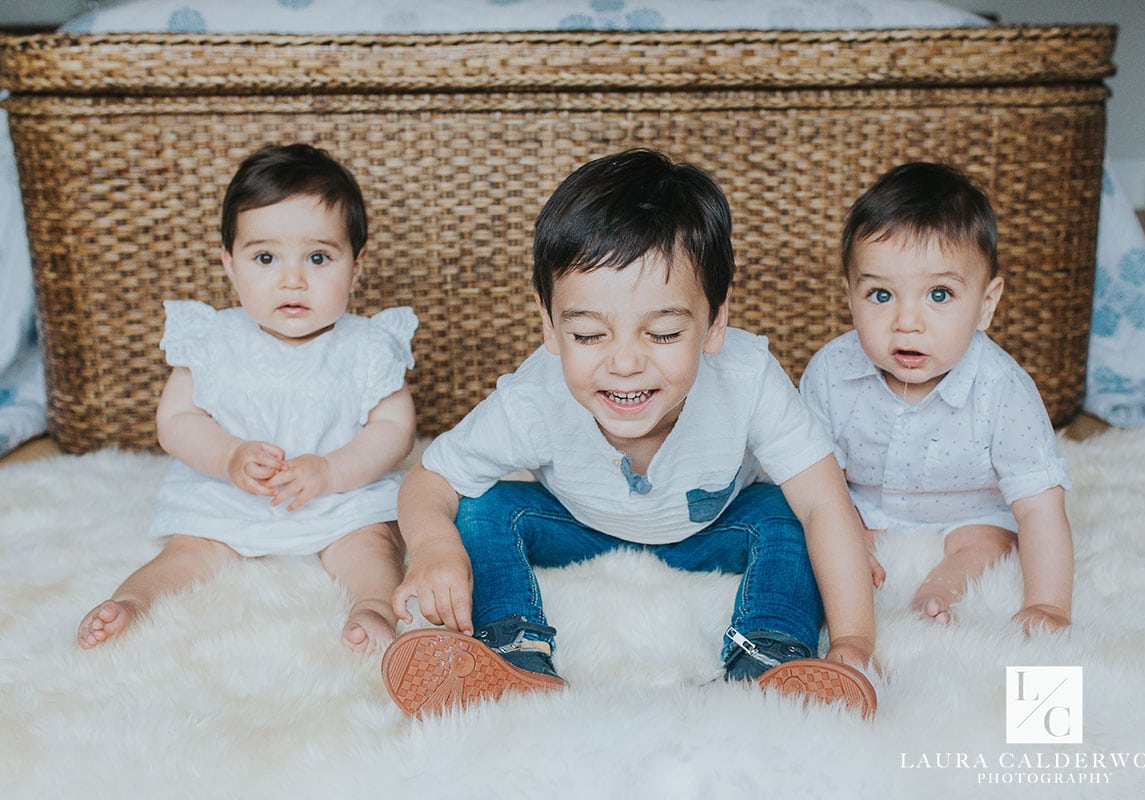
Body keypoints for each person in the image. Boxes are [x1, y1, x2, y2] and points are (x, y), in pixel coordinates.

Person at [381, 148, 877, 719]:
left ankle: (768, 657)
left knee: (793, 514)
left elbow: (823, 503)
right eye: (590, 335)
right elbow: (429, 479)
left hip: (711, 528)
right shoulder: (534, 398)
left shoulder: (747, 378)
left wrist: (856, 641)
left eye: (662, 333)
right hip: (575, 524)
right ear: (550, 325)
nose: (624, 364)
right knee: (481, 509)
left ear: (715, 322)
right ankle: (512, 652)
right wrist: (433, 547)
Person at [77, 143, 418, 654]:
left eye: (319, 257)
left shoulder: (367, 345)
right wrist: (229, 456)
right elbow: (176, 418)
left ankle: (370, 607)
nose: (292, 279)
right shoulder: (213, 339)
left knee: (371, 543)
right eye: (264, 257)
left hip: (336, 492)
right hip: (233, 491)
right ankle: (134, 601)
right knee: (191, 551)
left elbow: (393, 429)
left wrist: (331, 471)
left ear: (357, 265)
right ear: (230, 265)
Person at [799, 161, 1073, 632]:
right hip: (865, 509)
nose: (908, 322)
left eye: (939, 295)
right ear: (850, 297)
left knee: (988, 543)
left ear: (986, 305)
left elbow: (1040, 508)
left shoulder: (1003, 390)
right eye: (881, 296)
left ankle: (939, 592)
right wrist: (846, 535)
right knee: (808, 532)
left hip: (967, 516)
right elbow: (814, 480)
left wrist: (1049, 604)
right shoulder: (831, 373)